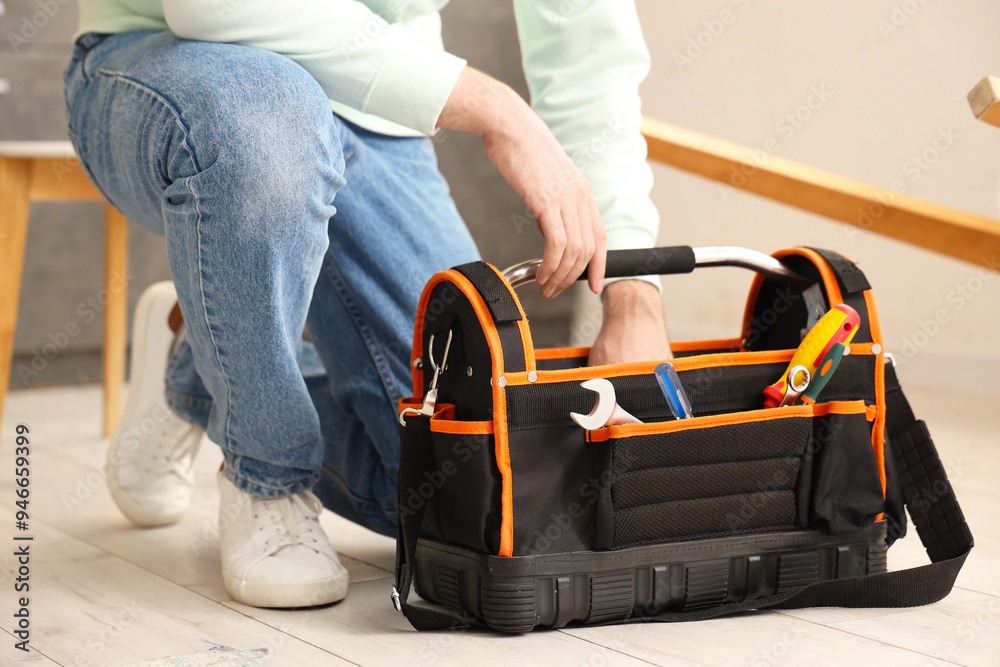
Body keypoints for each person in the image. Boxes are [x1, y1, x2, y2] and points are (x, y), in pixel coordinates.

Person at [65, 0, 670, 608]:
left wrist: (633, 293)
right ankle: (266, 477)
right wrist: (498, 110)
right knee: (267, 117)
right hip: (179, 69)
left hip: (377, 106)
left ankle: (200, 354)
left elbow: (587, 48)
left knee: (466, 494)